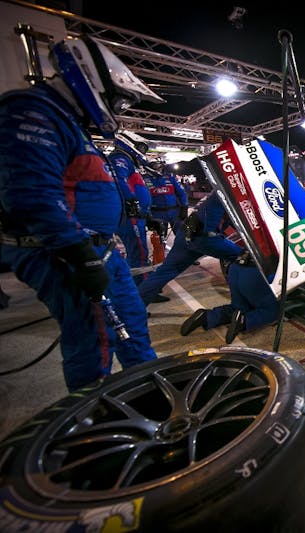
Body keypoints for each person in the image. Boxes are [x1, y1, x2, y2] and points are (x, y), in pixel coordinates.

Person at [0, 34, 162, 391]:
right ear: (93, 81)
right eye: (118, 101)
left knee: (132, 326)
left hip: (95, 250)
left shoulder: (65, 120)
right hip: (66, 256)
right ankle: (90, 418)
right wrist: (81, 254)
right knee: (93, 342)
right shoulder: (32, 110)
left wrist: (104, 240)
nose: (117, 109)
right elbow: (31, 195)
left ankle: (150, 396)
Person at [137, 192, 242, 306]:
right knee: (244, 257)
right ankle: (242, 304)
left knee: (165, 272)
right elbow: (241, 221)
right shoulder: (231, 194)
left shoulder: (217, 193)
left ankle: (134, 309)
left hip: (186, 234)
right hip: (205, 238)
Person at [180, 250, 279, 344]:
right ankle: (244, 321)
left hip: (236, 268)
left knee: (238, 306)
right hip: (257, 273)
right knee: (273, 310)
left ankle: (207, 316)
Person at [107, 136, 153, 285]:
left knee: (138, 253)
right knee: (139, 254)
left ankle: (138, 285)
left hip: (136, 215)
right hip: (131, 215)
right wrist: (131, 202)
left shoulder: (128, 161)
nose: (142, 152)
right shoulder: (120, 159)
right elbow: (119, 180)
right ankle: (142, 289)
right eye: (141, 148)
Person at [145, 157, 189, 237]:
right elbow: (143, 198)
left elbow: (182, 192)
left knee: (182, 236)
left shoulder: (170, 177)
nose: (158, 167)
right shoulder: (145, 179)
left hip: (174, 212)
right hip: (157, 213)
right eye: (155, 165)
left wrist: (184, 207)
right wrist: (147, 215)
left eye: (159, 165)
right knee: (159, 239)